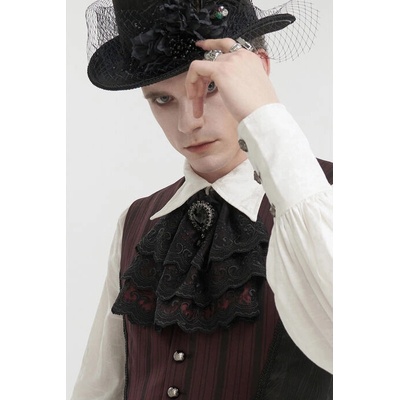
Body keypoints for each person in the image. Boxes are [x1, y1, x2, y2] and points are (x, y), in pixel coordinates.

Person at [71, 0, 333, 398]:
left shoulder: (333, 195)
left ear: (257, 71)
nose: (187, 123)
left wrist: (265, 115)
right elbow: (99, 387)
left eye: (209, 86)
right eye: (162, 99)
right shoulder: (137, 221)